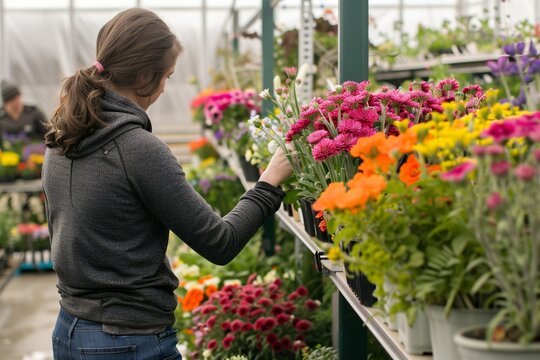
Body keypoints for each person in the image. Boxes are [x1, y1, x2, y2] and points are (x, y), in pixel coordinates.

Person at [43, 8, 292, 360]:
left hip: (69, 329)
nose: (163, 89)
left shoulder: (61, 135)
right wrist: (269, 183)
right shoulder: (137, 149)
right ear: (145, 76)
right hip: (126, 342)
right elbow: (219, 243)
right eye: (167, 78)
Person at [0, 80, 47, 147]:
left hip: (35, 155)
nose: (16, 101)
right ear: (6, 102)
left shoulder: (34, 113)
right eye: (12, 99)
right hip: (7, 156)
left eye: (17, 97)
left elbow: (48, 136)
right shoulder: (1, 118)